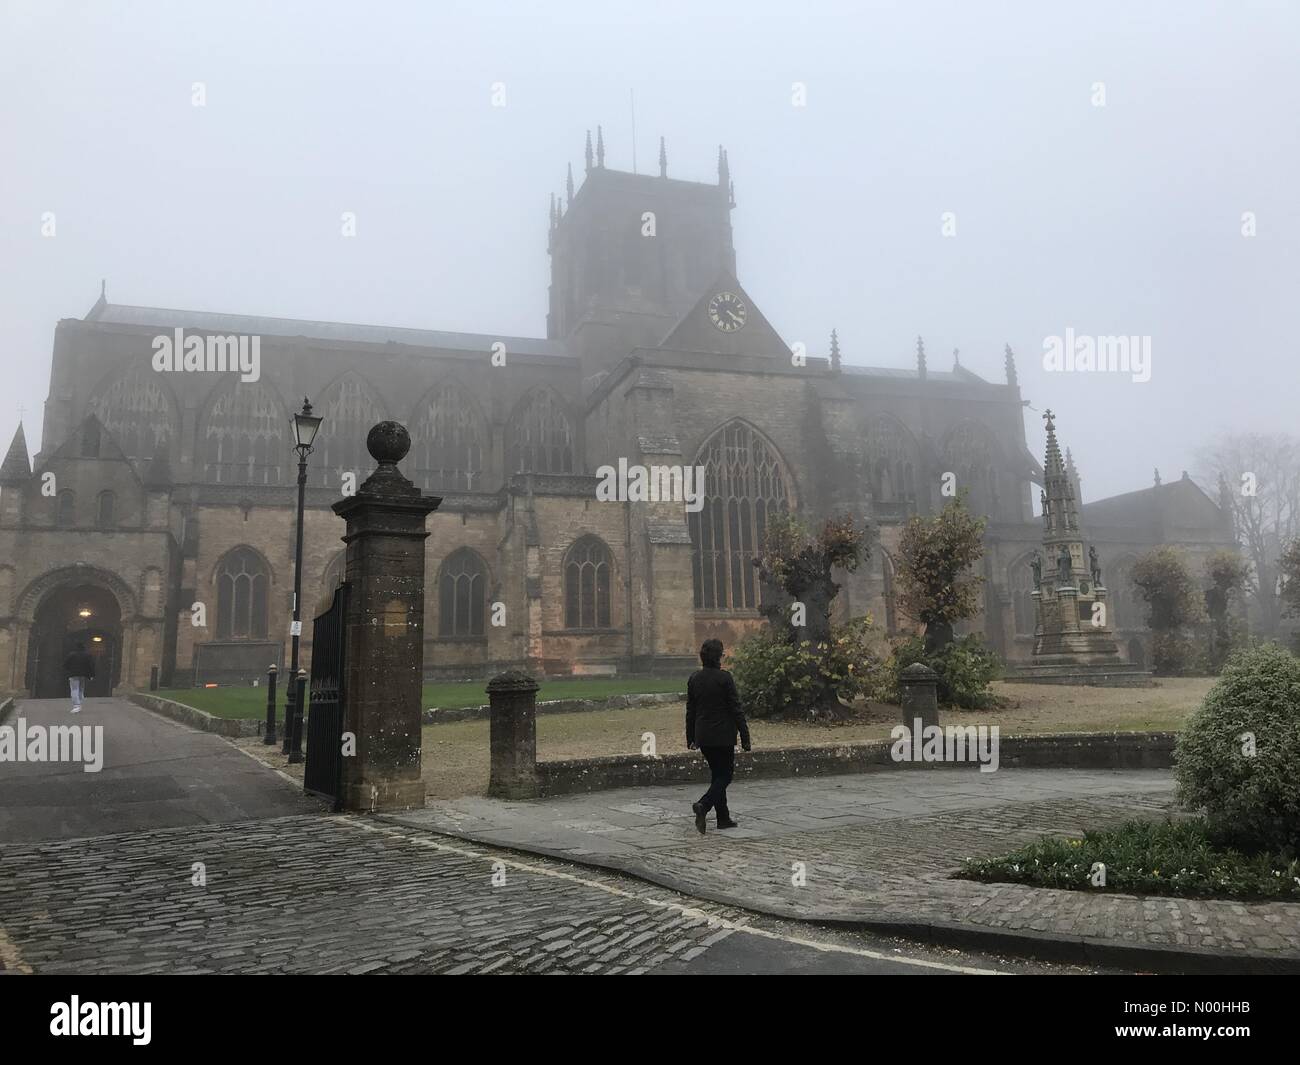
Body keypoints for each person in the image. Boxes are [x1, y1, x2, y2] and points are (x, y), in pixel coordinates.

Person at [686, 638, 751, 834]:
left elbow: (691, 710)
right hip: (723, 735)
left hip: (703, 736)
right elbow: (735, 709)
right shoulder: (725, 678)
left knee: (717, 774)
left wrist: (690, 737)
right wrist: (745, 736)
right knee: (725, 775)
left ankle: (723, 818)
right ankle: (703, 805)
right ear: (718, 657)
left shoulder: (694, 678)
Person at [62, 641, 96, 713]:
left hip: (73, 674)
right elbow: (91, 666)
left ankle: (76, 705)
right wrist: (91, 675)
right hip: (83, 675)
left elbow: (65, 665)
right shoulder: (87, 655)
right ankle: (79, 702)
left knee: (74, 689)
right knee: (81, 689)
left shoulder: (71, 655)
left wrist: (69, 670)